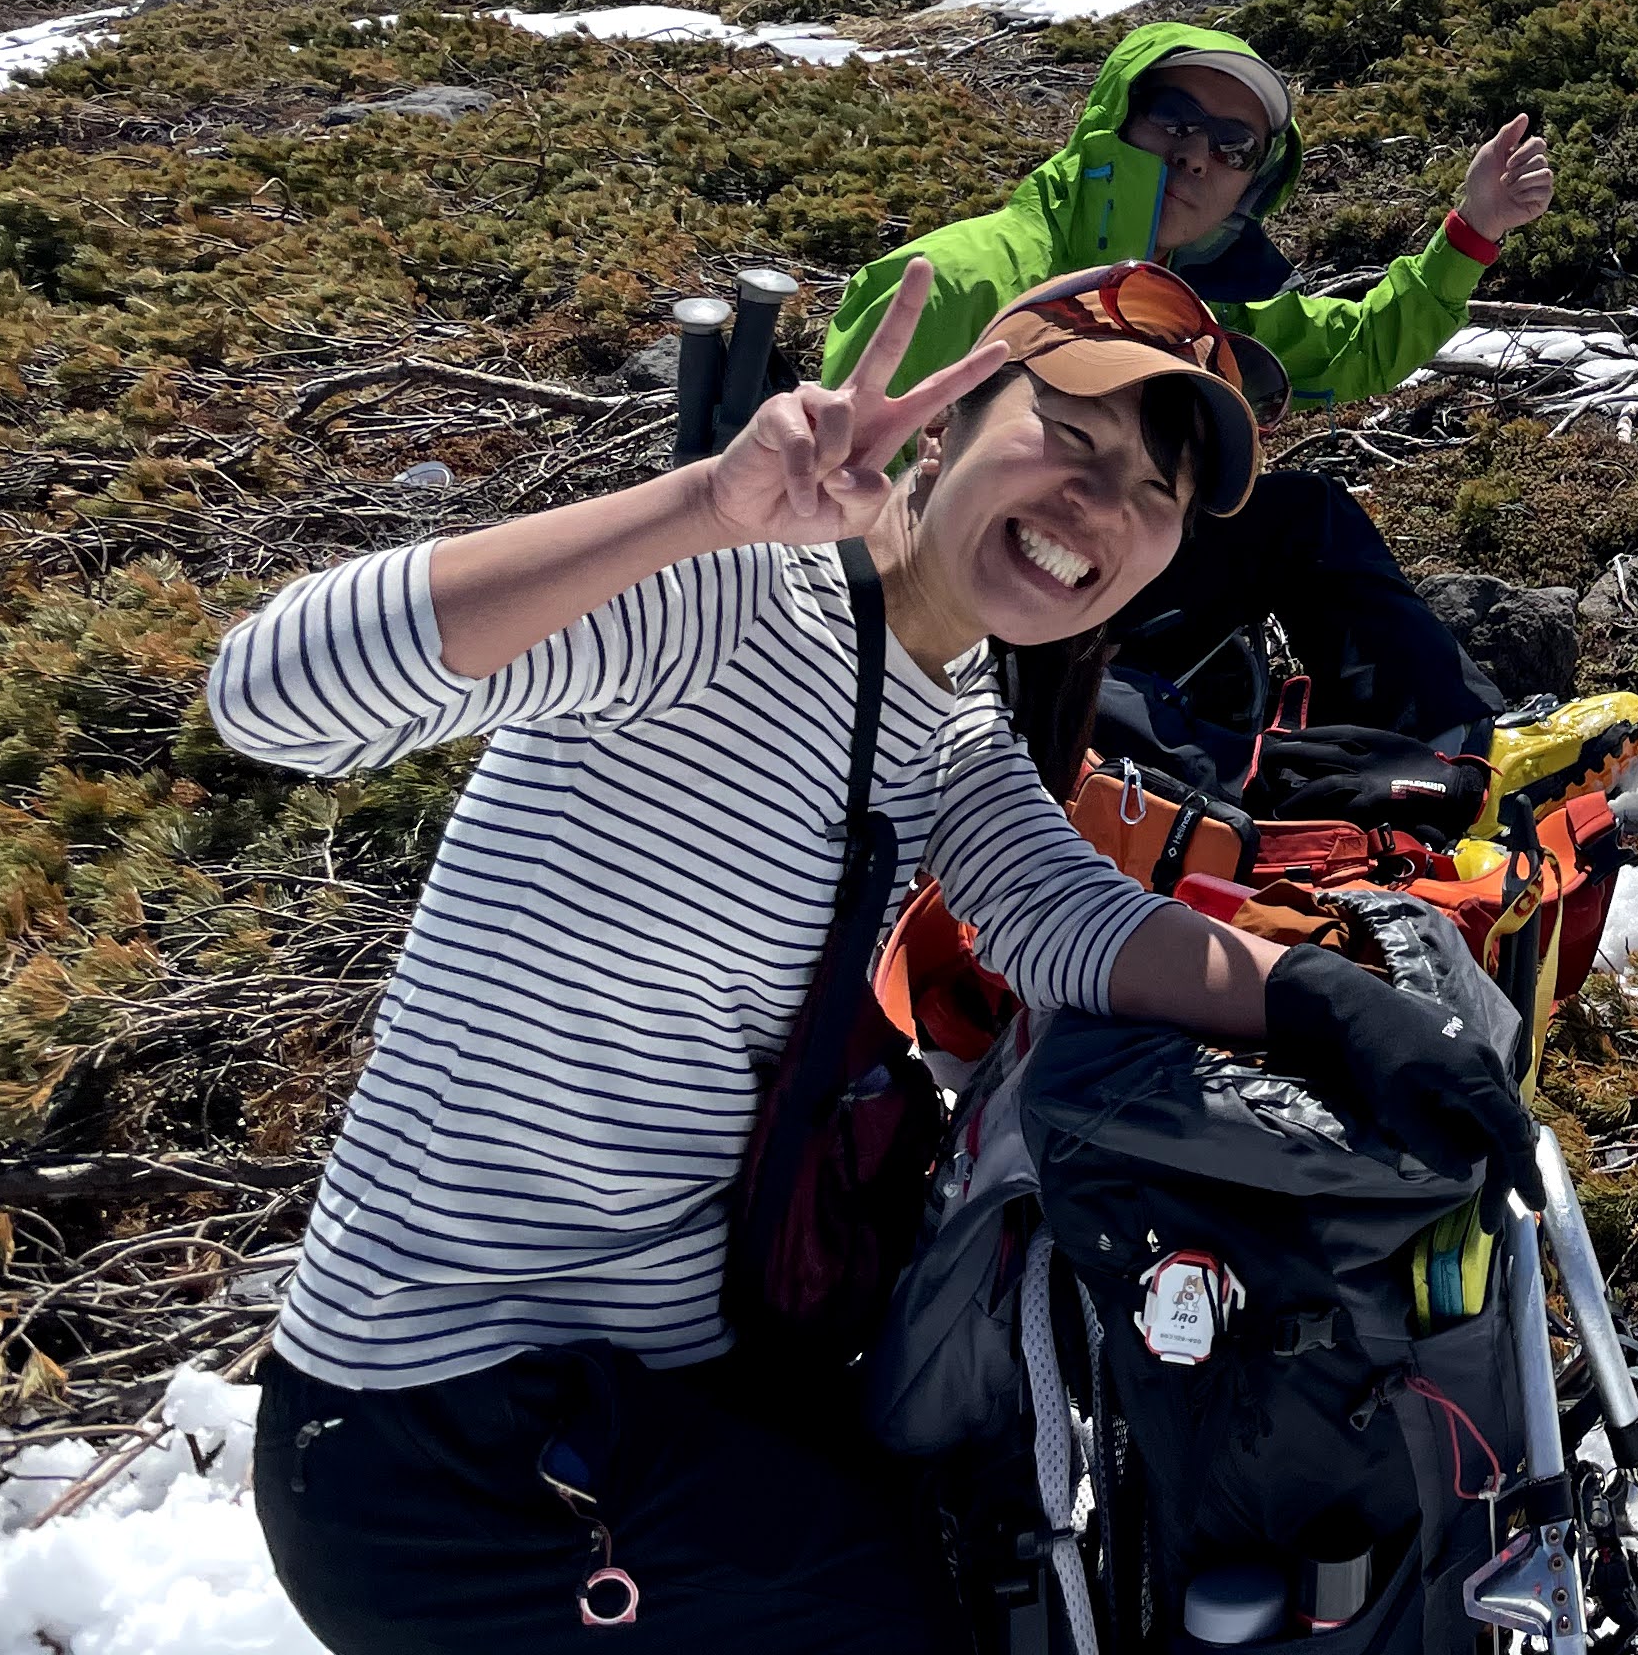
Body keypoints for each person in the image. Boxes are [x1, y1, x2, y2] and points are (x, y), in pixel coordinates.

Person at [217, 259, 1538, 1655]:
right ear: (950, 422)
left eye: (1153, 493)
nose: (1102, 505)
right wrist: (700, 507)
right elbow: (268, 694)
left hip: (664, 1387)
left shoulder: (953, 717)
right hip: (449, 1435)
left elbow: (1062, 915)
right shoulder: (716, 601)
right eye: (1070, 439)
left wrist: (1324, 1006)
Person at [819, 23, 1552, 766]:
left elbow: (1355, 349)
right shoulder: (959, 280)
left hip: (1106, 575)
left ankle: (1455, 749)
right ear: (1114, 120)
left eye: (1234, 146)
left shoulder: (1193, 309)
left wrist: (1474, 231)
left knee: (1305, 516)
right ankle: (1276, 792)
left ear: (1253, 182)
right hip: (970, 613)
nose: (1197, 154)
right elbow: (837, 514)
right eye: (1173, 116)